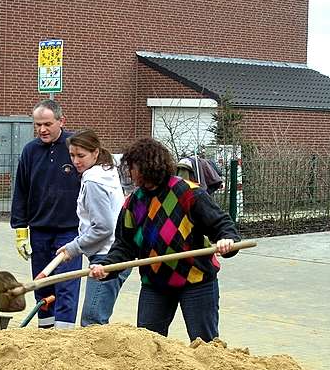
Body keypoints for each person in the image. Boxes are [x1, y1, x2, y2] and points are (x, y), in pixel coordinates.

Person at [89, 137, 240, 342]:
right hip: (155, 283)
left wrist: (227, 240)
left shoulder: (187, 192)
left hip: (196, 280)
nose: (130, 173)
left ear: (147, 166)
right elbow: (124, 246)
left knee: (205, 343)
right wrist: (106, 266)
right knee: (148, 343)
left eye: (133, 168)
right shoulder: (133, 204)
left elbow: (221, 224)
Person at [10, 99, 82, 329]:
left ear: (62, 121)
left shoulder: (75, 148)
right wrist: (21, 230)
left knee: (66, 285)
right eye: (38, 124)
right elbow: (21, 191)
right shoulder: (30, 151)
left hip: (69, 231)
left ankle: (64, 335)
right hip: (40, 231)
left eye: (48, 124)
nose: (42, 129)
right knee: (42, 286)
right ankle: (45, 333)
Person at [55, 130, 130, 326]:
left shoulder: (93, 181)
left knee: (92, 321)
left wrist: (74, 247)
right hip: (113, 252)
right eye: (72, 155)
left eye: (81, 156)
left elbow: (103, 227)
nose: (76, 161)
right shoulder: (106, 171)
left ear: (95, 153)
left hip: (107, 256)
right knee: (94, 319)